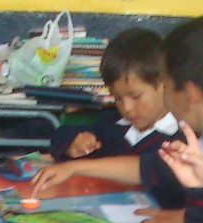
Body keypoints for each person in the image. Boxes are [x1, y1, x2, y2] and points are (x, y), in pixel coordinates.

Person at [34, 16, 203, 223]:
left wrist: (193, 221)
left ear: (189, 94)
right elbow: (148, 167)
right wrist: (75, 167)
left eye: (167, 85)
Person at [46, 28, 179, 164]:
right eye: (118, 98)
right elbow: (62, 134)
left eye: (136, 96)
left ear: (165, 84)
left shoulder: (181, 137)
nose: (126, 108)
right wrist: (73, 143)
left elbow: (149, 169)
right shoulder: (112, 125)